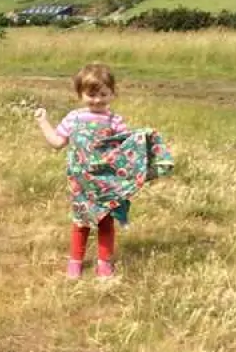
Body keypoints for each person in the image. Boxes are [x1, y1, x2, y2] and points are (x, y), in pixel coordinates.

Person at [34, 63, 173, 279]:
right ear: (80, 94)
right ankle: (75, 263)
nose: (97, 100)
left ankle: (104, 264)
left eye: (103, 94)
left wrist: (144, 140)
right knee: (80, 222)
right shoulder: (74, 118)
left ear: (112, 93)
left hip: (106, 182)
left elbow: (126, 149)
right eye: (91, 95)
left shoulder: (114, 120)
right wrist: (43, 122)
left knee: (106, 222)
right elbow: (56, 142)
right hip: (81, 183)